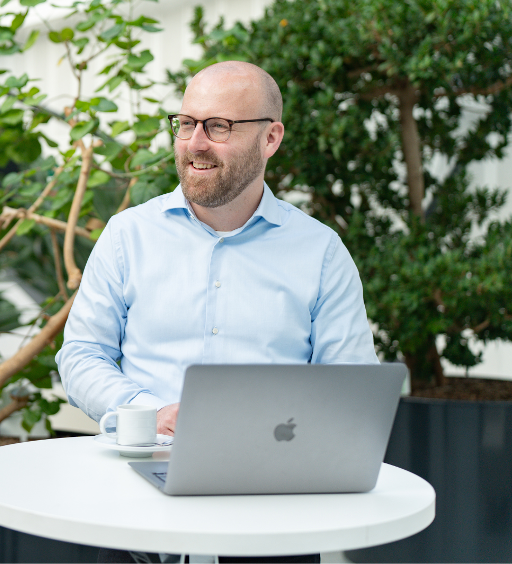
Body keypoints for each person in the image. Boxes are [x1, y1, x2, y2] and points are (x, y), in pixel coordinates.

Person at [56, 61, 379, 564]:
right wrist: (151, 411)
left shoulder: (321, 252)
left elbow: (351, 384)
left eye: (218, 126)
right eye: (186, 124)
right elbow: (81, 355)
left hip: (271, 514)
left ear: (270, 139)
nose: (195, 143)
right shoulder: (127, 236)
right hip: (133, 509)